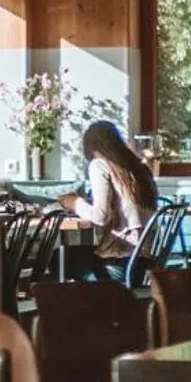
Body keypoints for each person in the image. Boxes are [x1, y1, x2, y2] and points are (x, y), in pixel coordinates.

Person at [59, 120, 158, 281]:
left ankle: (96, 297)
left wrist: (75, 203)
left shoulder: (100, 165)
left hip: (118, 264)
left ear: (90, 146)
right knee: (72, 256)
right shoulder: (139, 168)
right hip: (142, 264)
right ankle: (95, 297)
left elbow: (100, 216)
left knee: (58, 259)